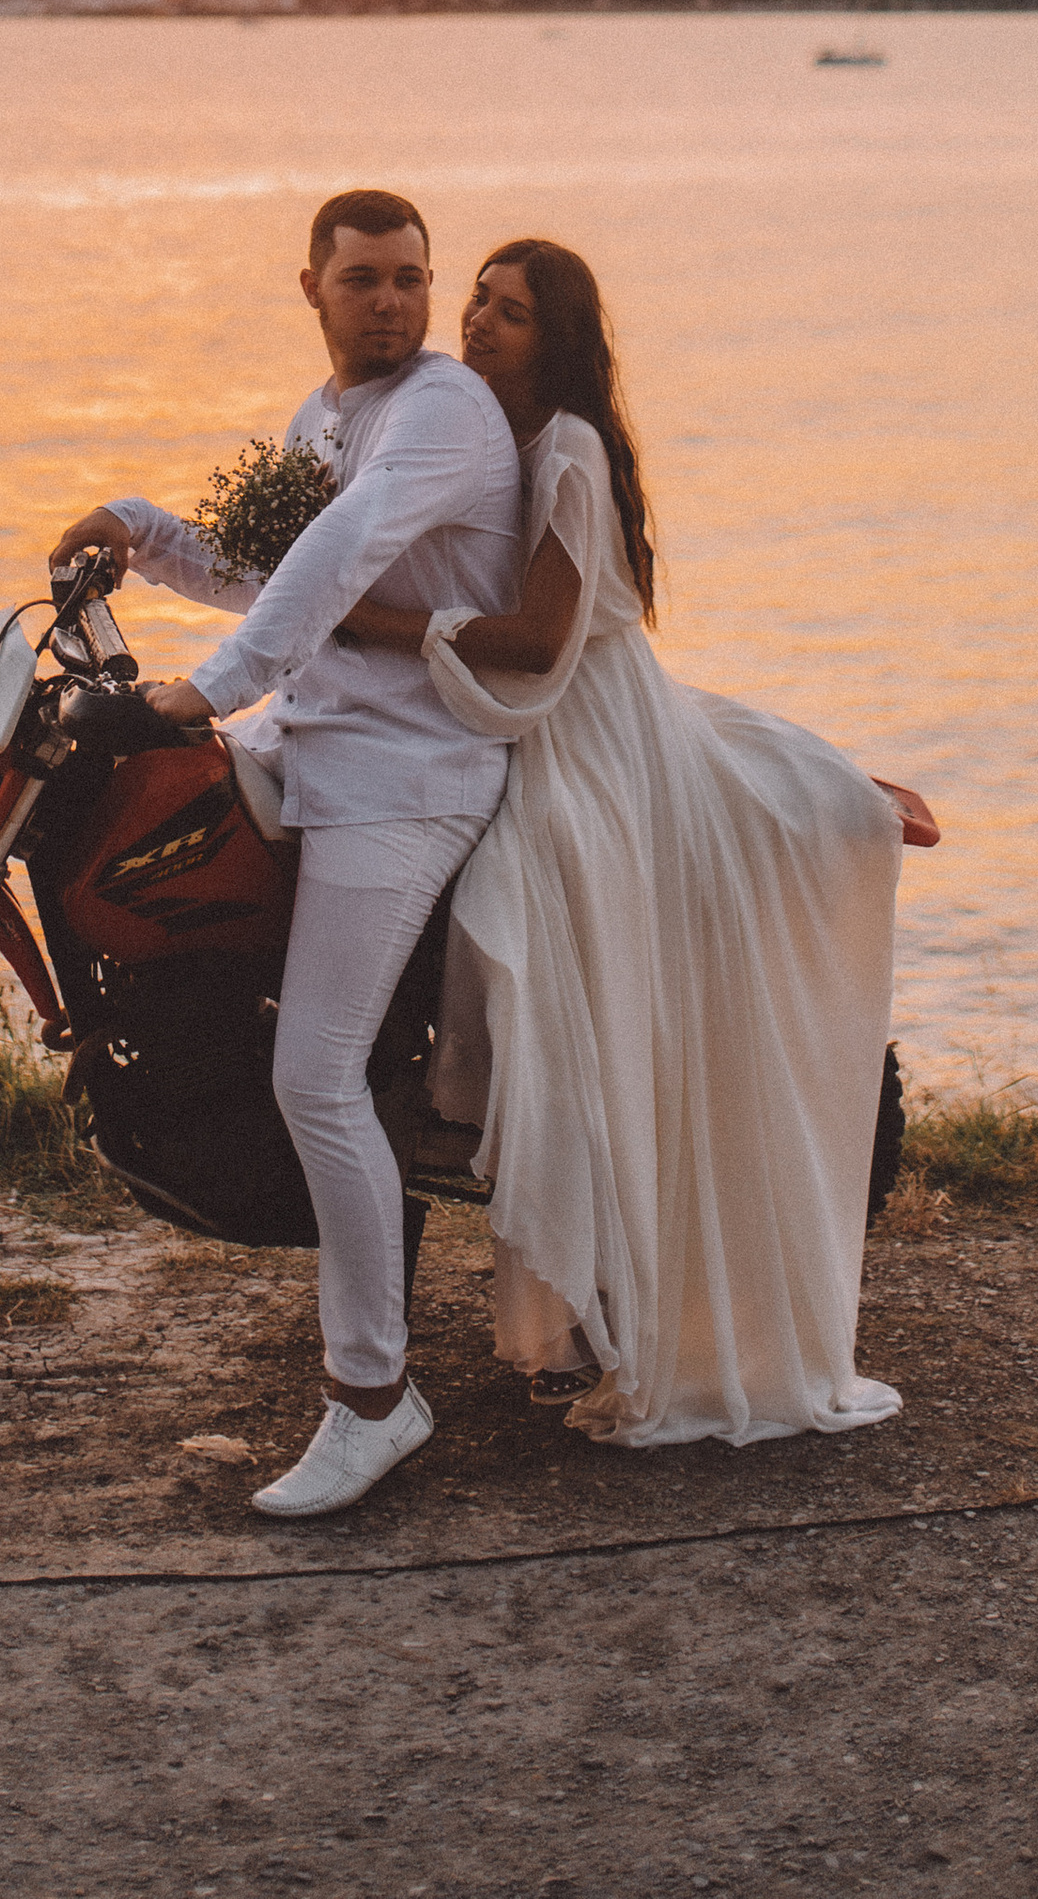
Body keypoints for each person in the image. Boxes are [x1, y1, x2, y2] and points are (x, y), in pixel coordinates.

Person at [335, 238, 907, 1447]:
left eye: (510, 314)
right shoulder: (482, 432)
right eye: (478, 303)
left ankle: (550, 1224)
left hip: (588, 730)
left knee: (517, 921)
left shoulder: (572, 450)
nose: (479, 326)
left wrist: (370, 624)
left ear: (560, 340)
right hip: (545, 722)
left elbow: (543, 638)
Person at [49, 190, 521, 1518]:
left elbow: (343, 547)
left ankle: (375, 1397)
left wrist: (212, 687)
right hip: (309, 747)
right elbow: (275, 570)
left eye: (412, 278)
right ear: (308, 282)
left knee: (313, 1070)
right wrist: (133, 529)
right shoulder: (326, 414)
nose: (394, 300)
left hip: (402, 775)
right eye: (364, 277)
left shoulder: (440, 410)